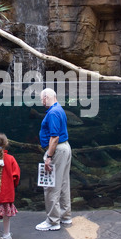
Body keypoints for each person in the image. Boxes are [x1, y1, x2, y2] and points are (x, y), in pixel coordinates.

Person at [35, 88, 72, 231]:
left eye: (41, 99)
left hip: (57, 151)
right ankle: (65, 216)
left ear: (46, 97)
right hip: (64, 148)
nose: (41, 102)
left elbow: (55, 137)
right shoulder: (59, 109)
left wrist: (49, 156)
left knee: (51, 186)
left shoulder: (53, 113)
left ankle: (53, 221)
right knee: (63, 184)